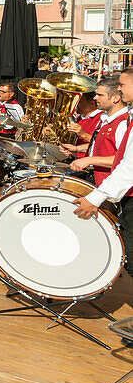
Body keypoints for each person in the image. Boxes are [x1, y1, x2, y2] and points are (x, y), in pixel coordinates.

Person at [74, 68, 133, 275]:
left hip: (119, 190)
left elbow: (127, 164)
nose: (120, 88)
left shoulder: (123, 121)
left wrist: (97, 196)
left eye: (123, 85)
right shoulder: (114, 119)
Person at [66, 77, 126, 184]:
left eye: (100, 95)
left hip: (113, 186)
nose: (95, 98)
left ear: (115, 98)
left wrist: (89, 160)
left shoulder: (124, 122)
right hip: (98, 179)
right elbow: (101, 146)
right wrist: (76, 149)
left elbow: (124, 158)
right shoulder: (106, 118)